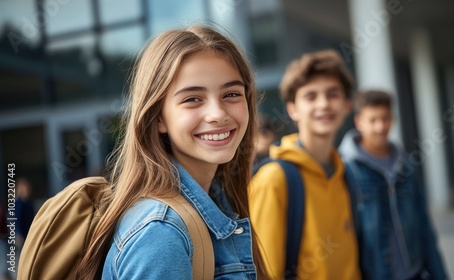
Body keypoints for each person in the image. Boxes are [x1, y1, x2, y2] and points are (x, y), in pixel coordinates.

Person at [75, 25, 267, 279]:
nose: (218, 114)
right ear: (158, 119)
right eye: (193, 99)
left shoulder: (219, 199)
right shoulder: (161, 233)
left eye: (231, 94)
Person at [249, 50, 361, 279]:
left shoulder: (345, 173)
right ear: (292, 109)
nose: (324, 104)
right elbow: (265, 273)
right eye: (311, 96)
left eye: (332, 94)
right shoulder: (274, 178)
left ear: (346, 105)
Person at [339, 90, 448, 280]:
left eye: (385, 118)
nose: (380, 126)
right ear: (359, 122)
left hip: (415, 274)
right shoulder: (346, 168)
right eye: (373, 120)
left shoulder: (405, 164)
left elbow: (424, 227)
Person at [15, 178, 35, 250]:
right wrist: (18, 234)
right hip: (22, 234)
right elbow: (17, 220)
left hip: (29, 233)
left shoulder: (29, 203)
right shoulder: (19, 204)